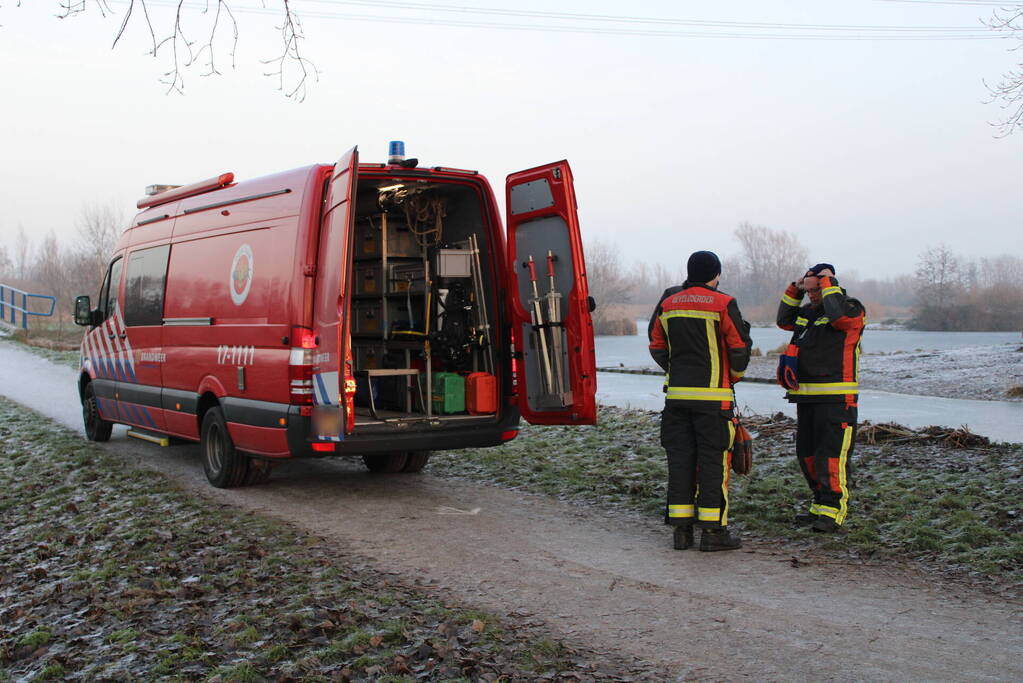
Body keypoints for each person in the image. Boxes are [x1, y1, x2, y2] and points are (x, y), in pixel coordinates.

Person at [648, 251, 752, 552]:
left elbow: (656, 345)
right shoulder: (723, 303)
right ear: (716, 275)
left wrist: (675, 370)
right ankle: (713, 534)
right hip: (713, 401)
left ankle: (681, 533)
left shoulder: (669, 304)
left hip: (677, 399)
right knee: (713, 464)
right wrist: (734, 376)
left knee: (680, 462)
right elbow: (739, 348)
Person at [776, 263, 866, 532]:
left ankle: (833, 511)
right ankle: (819, 505)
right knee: (807, 455)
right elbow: (783, 319)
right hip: (806, 398)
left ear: (830, 285)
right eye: (809, 290)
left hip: (837, 399)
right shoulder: (807, 313)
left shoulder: (850, 309)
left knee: (831, 457)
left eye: (816, 289)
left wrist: (827, 285)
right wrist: (795, 287)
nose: (812, 295)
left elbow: (838, 318)